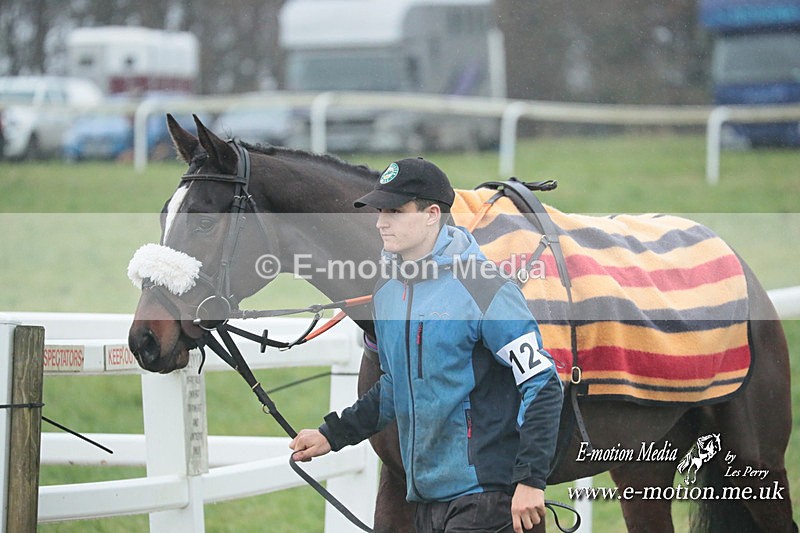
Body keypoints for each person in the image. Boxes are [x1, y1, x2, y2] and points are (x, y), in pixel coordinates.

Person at [290, 157, 563, 533]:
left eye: (396, 211)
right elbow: (392, 387)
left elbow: (542, 382)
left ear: (432, 214)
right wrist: (331, 435)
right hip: (425, 502)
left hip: (487, 499)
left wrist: (531, 480)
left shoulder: (484, 288)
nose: (381, 221)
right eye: (380, 210)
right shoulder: (386, 292)